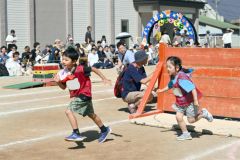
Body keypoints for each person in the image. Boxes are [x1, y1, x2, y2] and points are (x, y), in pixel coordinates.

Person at [54, 47, 112, 143]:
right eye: (63, 59)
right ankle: (104, 130)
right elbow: (63, 87)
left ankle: (76, 133)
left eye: (66, 60)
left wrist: (104, 78)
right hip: (81, 95)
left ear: (73, 61)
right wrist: (58, 82)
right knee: (91, 115)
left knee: (68, 111)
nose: (63, 61)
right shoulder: (64, 73)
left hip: (84, 93)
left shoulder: (80, 69)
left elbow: (93, 69)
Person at [157, 56, 213, 140]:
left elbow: (192, 88)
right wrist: (161, 90)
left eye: (169, 67)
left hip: (190, 102)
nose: (167, 69)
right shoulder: (173, 76)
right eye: (167, 67)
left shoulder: (181, 78)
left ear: (177, 68)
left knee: (191, 120)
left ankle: (203, 114)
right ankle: (186, 134)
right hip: (180, 102)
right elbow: (170, 85)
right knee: (178, 117)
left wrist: (195, 101)